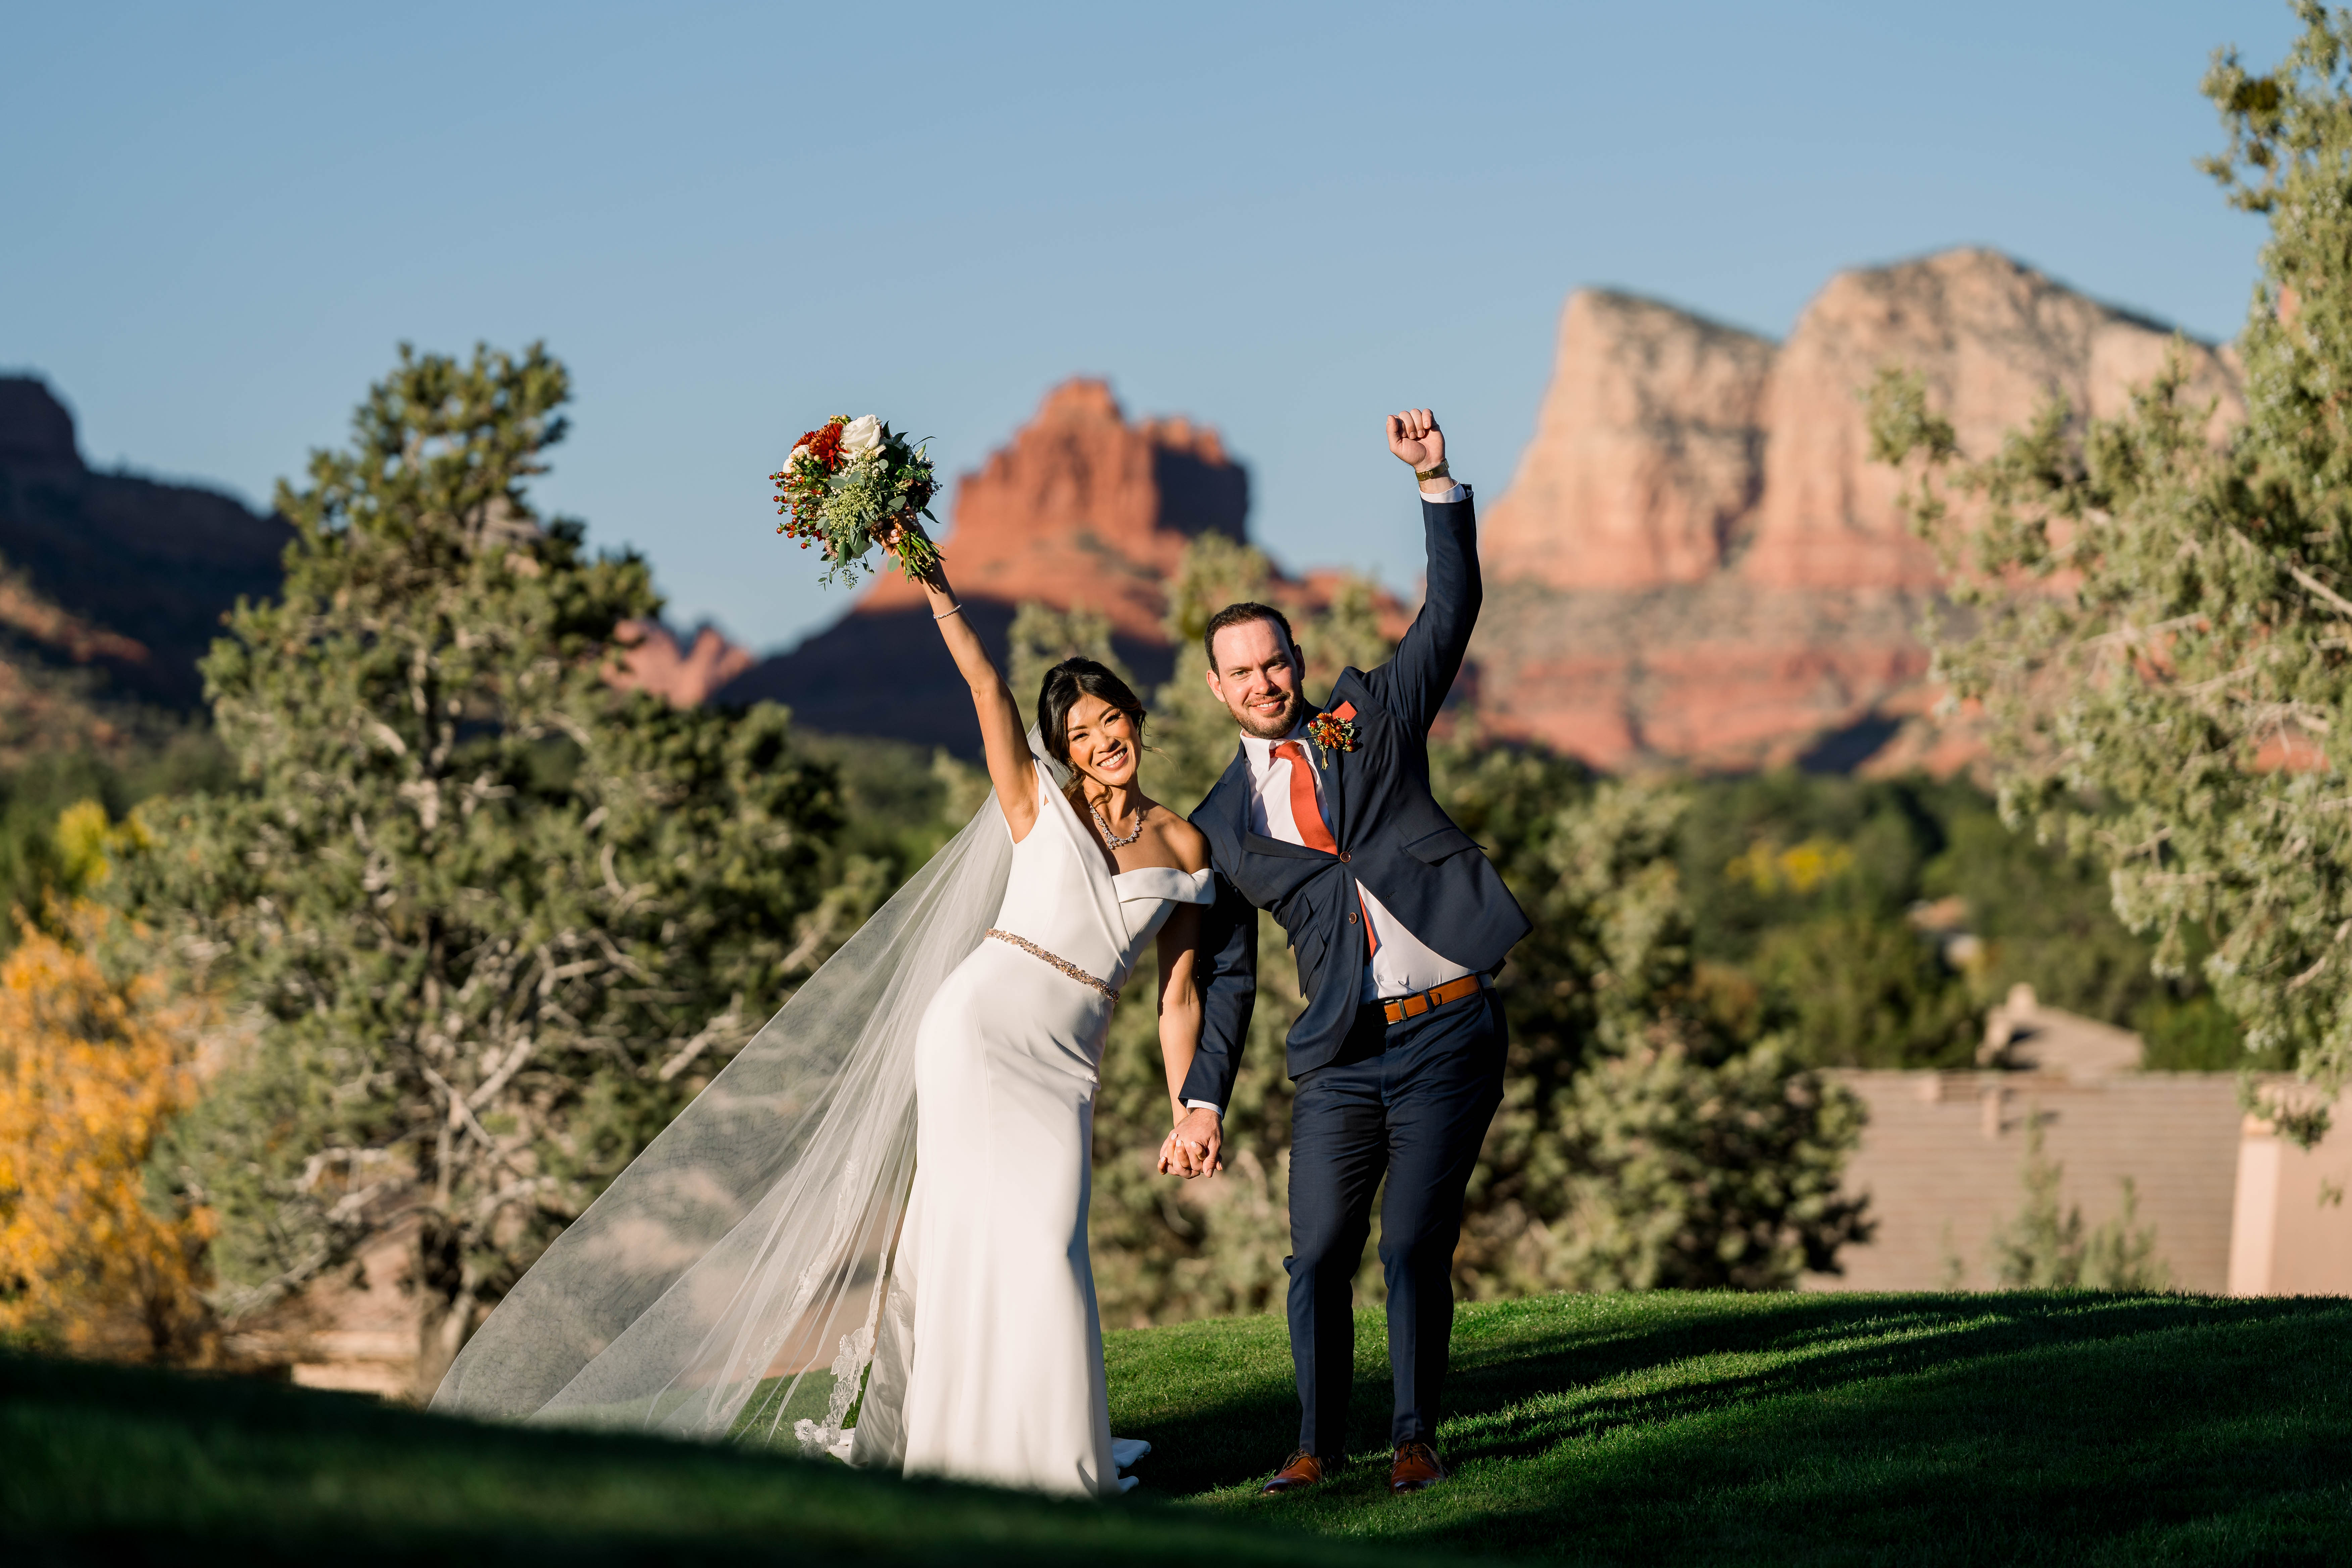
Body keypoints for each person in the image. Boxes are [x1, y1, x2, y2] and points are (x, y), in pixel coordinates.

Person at [431, 520, 1213, 1502]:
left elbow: (1179, 995)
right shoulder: (1035, 810)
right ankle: (979, 1457)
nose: (1105, 743)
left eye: (1113, 722)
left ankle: (1046, 1449)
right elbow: (987, 689)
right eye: (1083, 736)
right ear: (1064, 751)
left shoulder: (1186, 848)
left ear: (1136, 716)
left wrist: (1192, 1106)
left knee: (1048, 1242)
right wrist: (935, 585)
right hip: (977, 1030)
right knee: (974, 1236)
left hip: (1065, 1060)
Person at [1161, 408, 1530, 1498]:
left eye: (1277, 662)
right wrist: (1202, 1099)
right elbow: (1227, 974)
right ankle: (1318, 1447)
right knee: (1318, 1253)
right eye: (1244, 673)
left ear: (1299, 663)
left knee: (1413, 1243)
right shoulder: (1219, 826)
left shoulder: (1374, 716)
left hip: (1450, 1030)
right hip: (1336, 1058)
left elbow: (1451, 611)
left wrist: (1436, 483)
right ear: (1220, 692)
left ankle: (1415, 1438)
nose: (1267, 682)